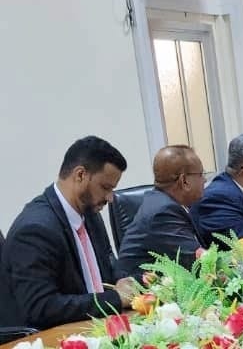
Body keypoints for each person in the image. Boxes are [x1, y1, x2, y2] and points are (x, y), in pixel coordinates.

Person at [0, 136, 136, 329]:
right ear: (80, 175)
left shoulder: (90, 214)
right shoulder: (35, 230)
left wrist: (125, 280)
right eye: (105, 187)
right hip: (57, 336)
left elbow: (107, 269)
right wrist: (115, 298)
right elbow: (42, 308)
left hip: (99, 327)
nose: (110, 198)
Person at [115, 145, 206, 278]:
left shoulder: (166, 203)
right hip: (140, 289)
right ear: (184, 181)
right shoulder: (163, 213)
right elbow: (200, 263)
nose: (204, 180)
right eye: (201, 174)